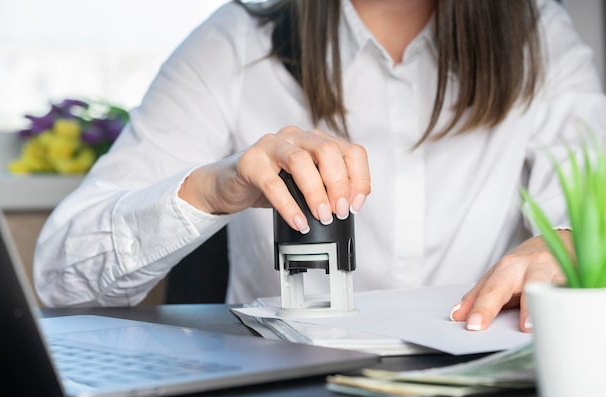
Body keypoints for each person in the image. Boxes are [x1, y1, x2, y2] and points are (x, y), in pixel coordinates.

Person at [34, 0, 605, 333]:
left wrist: (573, 242)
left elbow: (593, 205)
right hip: (288, 394)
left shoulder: (539, 35)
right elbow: (60, 278)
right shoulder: (236, 40)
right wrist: (211, 189)